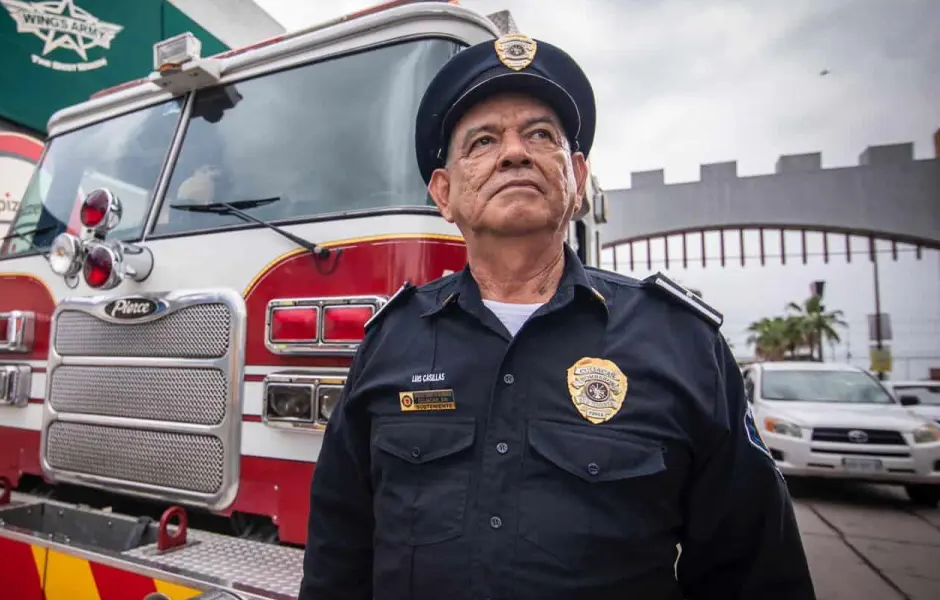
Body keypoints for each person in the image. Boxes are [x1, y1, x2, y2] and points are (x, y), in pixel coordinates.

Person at [299, 33, 816, 600]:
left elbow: (754, 571)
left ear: (576, 179)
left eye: (540, 134)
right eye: (482, 141)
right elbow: (339, 550)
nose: (515, 152)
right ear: (444, 195)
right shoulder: (389, 342)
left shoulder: (683, 344)